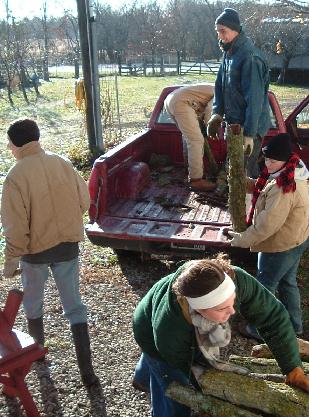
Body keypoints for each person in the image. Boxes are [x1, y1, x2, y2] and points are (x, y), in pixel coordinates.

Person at [132, 255, 309, 417]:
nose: (232, 311)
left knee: (163, 364)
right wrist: (209, 401)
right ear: (199, 310)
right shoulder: (170, 333)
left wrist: (292, 367)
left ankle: (141, 377)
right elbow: (191, 370)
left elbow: (273, 317)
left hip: (174, 319)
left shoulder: (232, 278)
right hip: (148, 330)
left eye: (232, 301)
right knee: (169, 379)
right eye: (221, 309)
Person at [1, 119, 99, 388]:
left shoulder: (15, 176)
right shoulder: (62, 163)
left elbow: (15, 227)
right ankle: (88, 373)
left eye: (9, 143)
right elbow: (83, 200)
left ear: (15, 144)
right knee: (75, 307)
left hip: (34, 254)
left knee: (33, 304)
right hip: (67, 246)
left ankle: (38, 358)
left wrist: (11, 261)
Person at [229, 133, 309, 339]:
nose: (269, 164)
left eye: (273, 160)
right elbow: (267, 189)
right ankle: (294, 326)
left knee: (264, 286)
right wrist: (247, 183)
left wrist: (239, 240)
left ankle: (258, 329)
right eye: (266, 159)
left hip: (280, 245)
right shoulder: (294, 172)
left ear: (285, 159)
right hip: (297, 238)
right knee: (287, 282)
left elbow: (266, 226)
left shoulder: (284, 188)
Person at [207, 8, 271, 178]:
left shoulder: (249, 58)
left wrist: (249, 134)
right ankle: (239, 200)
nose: (220, 36)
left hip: (252, 126)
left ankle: (252, 204)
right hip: (234, 124)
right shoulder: (229, 52)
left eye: (223, 31)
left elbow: (255, 100)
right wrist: (217, 113)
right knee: (236, 167)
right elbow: (220, 85)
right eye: (217, 32)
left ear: (236, 30)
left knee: (244, 173)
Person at [164, 84, 216, 192]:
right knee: (196, 140)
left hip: (171, 100)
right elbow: (210, 111)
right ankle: (196, 180)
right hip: (182, 102)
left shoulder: (217, 86)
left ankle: (189, 170)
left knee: (189, 138)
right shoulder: (224, 91)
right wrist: (208, 129)